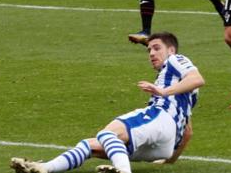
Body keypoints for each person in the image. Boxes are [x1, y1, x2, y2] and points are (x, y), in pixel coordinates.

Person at [11, 32, 205, 173]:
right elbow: (187, 131)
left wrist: (163, 91)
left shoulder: (175, 60)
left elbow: (197, 78)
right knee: (90, 145)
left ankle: (122, 171)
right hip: (165, 143)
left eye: (156, 48)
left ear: (171, 50)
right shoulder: (182, 91)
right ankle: (43, 168)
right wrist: (170, 159)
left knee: (108, 133)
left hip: (160, 119)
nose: (151, 53)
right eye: (148, 50)